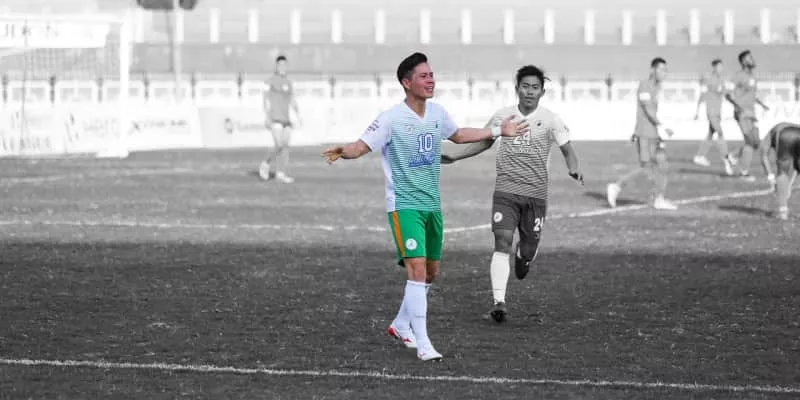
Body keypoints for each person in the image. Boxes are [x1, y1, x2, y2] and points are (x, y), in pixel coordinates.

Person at [321, 52, 528, 361]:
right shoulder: (391, 118)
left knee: (430, 273)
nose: (431, 80)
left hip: (432, 205)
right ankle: (423, 343)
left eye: (431, 75)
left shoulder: (437, 113)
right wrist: (343, 150)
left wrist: (499, 131)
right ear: (407, 83)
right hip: (404, 206)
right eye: (424, 76)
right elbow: (361, 146)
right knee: (416, 271)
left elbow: (459, 136)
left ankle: (400, 325)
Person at [441, 65, 583, 323]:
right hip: (506, 191)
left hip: (535, 195)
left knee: (527, 248)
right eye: (525, 86)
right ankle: (499, 302)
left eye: (535, 87)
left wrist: (573, 168)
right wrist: (455, 156)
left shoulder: (550, 119)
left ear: (542, 92)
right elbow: (484, 141)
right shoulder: (503, 116)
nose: (529, 91)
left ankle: (524, 257)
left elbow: (567, 150)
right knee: (502, 240)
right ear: (517, 88)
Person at [607, 57, 677, 210]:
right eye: (661, 69)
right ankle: (617, 186)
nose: (664, 73)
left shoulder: (657, 87)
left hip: (654, 133)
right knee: (646, 168)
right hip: (645, 133)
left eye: (666, 70)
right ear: (653, 70)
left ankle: (658, 198)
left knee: (663, 165)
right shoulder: (645, 85)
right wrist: (663, 126)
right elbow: (647, 110)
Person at [726, 50, 770, 181]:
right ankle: (743, 172)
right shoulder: (738, 76)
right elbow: (728, 94)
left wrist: (762, 105)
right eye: (750, 58)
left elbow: (752, 95)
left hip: (752, 113)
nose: (752, 59)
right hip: (743, 113)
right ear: (744, 62)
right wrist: (738, 106)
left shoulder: (753, 77)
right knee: (750, 142)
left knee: (756, 143)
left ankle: (732, 156)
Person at [260, 55, 302, 183]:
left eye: (284, 65)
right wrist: (267, 117)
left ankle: (281, 173)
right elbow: (265, 100)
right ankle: (266, 163)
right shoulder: (270, 81)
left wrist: (298, 115)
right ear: (276, 66)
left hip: (286, 118)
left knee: (285, 146)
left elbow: (292, 99)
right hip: (275, 118)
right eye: (280, 65)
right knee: (278, 144)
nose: (282, 67)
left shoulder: (288, 82)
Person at [692, 59, 735, 175]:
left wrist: (735, 103)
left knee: (710, 134)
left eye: (722, 66)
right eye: (719, 67)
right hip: (711, 112)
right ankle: (727, 159)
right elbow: (702, 95)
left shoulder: (721, 80)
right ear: (714, 67)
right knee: (720, 133)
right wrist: (697, 111)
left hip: (718, 112)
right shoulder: (708, 79)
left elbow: (726, 95)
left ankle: (700, 156)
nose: (721, 69)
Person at [760, 122, 800, 220]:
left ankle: (783, 211)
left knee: (782, 172)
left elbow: (763, 156)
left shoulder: (769, 136)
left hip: (784, 134)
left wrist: (771, 178)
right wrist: (789, 185)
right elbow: (796, 167)